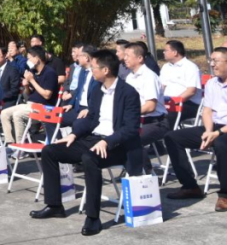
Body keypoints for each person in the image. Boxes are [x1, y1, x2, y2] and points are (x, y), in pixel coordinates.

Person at [29, 49, 142, 237]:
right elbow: (91, 119)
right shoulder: (97, 90)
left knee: (89, 158)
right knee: (49, 151)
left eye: (94, 67)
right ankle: (55, 205)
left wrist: (107, 141)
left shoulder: (128, 93)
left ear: (105, 70)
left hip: (117, 145)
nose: (91, 70)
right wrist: (74, 134)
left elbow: (131, 129)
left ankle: (93, 217)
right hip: (94, 139)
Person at [163, 46, 227, 212]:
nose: (212, 64)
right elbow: (207, 111)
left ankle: (225, 195)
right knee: (172, 137)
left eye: (216, 61)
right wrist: (209, 131)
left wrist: (217, 133)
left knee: (222, 144)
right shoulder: (212, 83)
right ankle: (190, 186)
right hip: (216, 127)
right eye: (211, 60)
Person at [123, 43, 168, 173]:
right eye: (124, 55)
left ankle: (145, 173)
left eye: (128, 55)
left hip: (156, 122)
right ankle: (133, 169)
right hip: (137, 121)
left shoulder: (149, 77)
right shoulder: (130, 77)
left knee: (131, 139)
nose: (125, 58)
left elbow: (150, 106)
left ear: (140, 58)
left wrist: (128, 113)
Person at [0, 47, 58, 144]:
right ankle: (10, 143)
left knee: (17, 115)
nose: (28, 61)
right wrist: (27, 86)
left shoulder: (50, 73)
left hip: (43, 108)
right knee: (4, 113)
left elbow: (47, 95)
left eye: (29, 58)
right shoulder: (34, 72)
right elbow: (29, 93)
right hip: (30, 105)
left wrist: (32, 80)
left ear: (37, 59)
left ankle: (20, 145)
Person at [159, 39, 202, 127]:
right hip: (167, 101)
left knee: (167, 116)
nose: (163, 52)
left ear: (175, 52)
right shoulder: (166, 67)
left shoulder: (190, 67)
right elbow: (162, 86)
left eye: (166, 50)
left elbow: (191, 91)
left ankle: (166, 134)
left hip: (188, 103)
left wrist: (175, 102)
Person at [60, 46, 97, 129]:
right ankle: (60, 137)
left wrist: (89, 109)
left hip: (88, 110)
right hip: (77, 107)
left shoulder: (97, 74)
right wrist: (70, 104)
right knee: (52, 117)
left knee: (77, 125)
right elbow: (79, 89)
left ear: (86, 58)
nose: (77, 57)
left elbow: (98, 96)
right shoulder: (82, 71)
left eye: (79, 55)